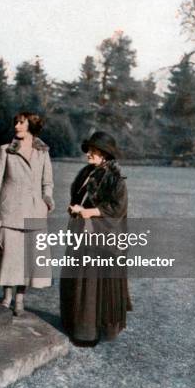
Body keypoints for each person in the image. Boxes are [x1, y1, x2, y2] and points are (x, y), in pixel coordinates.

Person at [60, 131, 132, 345]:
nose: (89, 154)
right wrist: (74, 208)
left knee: (91, 283)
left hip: (99, 238)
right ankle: (75, 323)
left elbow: (118, 208)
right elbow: (79, 196)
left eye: (94, 151)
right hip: (81, 233)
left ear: (105, 154)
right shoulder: (86, 173)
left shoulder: (115, 179)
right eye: (89, 150)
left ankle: (88, 332)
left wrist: (89, 212)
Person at [0, 112, 54, 316]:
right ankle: (7, 298)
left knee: (28, 259)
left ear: (31, 125)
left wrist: (46, 201)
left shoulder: (42, 152)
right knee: (10, 257)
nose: (17, 126)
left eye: (21, 123)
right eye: (15, 122)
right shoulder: (5, 151)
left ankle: (20, 301)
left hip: (34, 211)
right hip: (10, 210)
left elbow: (47, 182)